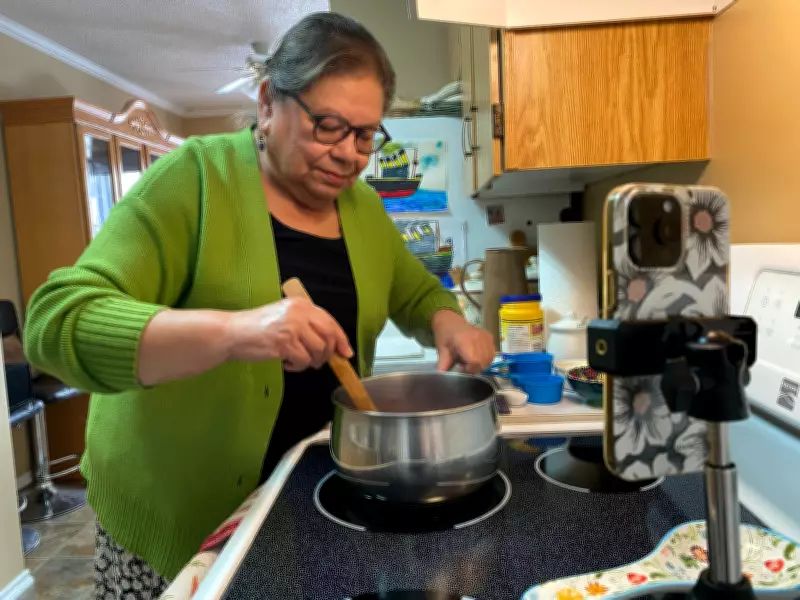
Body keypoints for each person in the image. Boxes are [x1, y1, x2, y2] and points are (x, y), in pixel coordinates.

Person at [23, 11, 495, 599]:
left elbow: (415, 291)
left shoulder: (364, 210)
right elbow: (55, 321)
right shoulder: (193, 179)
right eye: (328, 125)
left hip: (305, 502)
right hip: (180, 524)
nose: (349, 154)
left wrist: (446, 320)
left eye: (366, 134)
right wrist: (235, 331)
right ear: (269, 102)